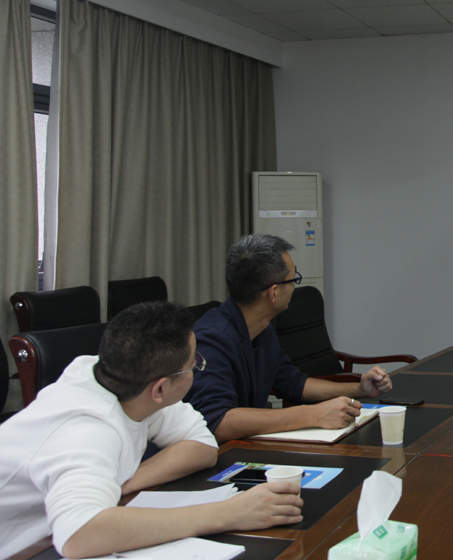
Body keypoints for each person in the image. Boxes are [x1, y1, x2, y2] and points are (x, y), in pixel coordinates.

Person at [0, 302, 303, 560]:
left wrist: (123, 483)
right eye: (193, 364)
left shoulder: (122, 378)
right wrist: (227, 513)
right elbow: (79, 534)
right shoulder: (86, 432)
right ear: (160, 389)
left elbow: (202, 444)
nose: (197, 368)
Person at [186, 234, 393, 442]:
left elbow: (294, 383)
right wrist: (313, 415)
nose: (295, 287)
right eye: (294, 280)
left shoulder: (262, 328)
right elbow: (217, 422)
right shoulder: (211, 340)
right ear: (274, 293)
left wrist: (358, 389)